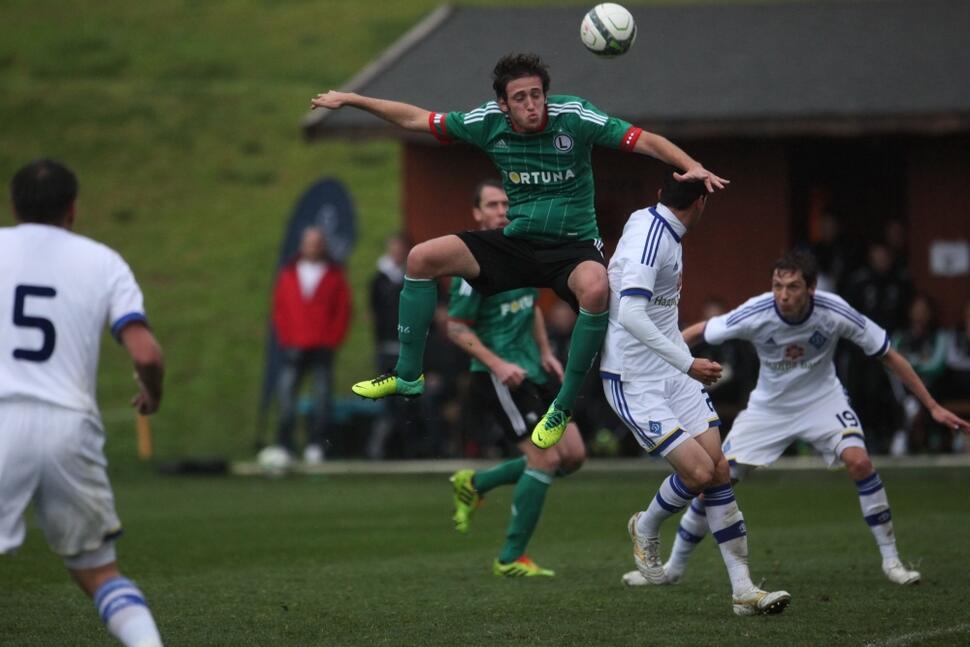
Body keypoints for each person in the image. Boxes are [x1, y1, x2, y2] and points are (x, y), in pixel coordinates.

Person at [311, 52, 728, 448]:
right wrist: (354, 99)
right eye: (520, 98)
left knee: (596, 288)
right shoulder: (487, 122)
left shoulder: (574, 117)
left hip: (572, 246)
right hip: (518, 242)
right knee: (421, 258)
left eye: (536, 95)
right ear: (503, 105)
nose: (532, 105)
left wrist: (691, 165)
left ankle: (561, 407)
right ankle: (407, 375)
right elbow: (418, 119)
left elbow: (645, 141)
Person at [667, 250, 970, 587]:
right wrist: (663, 356)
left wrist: (931, 405)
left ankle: (891, 560)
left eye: (793, 287)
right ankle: (673, 567)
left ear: (811, 288)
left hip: (822, 400)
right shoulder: (757, 311)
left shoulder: (834, 311)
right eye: (777, 285)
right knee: (716, 484)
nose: (783, 295)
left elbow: (888, 354)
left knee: (859, 462)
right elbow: (699, 331)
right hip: (770, 408)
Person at [600, 172, 790, 616]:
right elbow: (629, 313)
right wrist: (688, 360)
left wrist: (679, 364)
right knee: (701, 473)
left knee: (719, 470)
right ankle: (645, 526)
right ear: (702, 203)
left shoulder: (654, 222)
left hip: (669, 370)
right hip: (634, 378)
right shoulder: (655, 238)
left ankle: (743, 590)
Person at [0, 160, 165, 646]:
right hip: (70, 427)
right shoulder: (102, 261)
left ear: (13, 206)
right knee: (98, 572)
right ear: (73, 210)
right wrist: (152, 393)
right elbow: (146, 353)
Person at [446, 180, 586, 577]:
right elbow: (456, 329)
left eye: (506, 202)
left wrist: (544, 352)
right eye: (492, 204)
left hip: (534, 368)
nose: (501, 210)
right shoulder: (469, 264)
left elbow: (532, 307)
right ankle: (509, 558)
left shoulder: (520, 249)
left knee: (573, 456)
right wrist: (498, 365)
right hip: (500, 377)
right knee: (545, 457)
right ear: (477, 213)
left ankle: (475, 484)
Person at [271, 226, 351, 464]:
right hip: (294, 345)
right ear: (302, 244)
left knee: (322, 397)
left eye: (318, 242)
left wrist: (332, 339)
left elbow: (343, 311)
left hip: (322, 346)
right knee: (286, 396)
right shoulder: (288, 273)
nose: (314, 247)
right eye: (310, 242)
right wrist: (286, 337)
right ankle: (285, 443)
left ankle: (317, 444)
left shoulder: (334, 274)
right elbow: (280, 310)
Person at [890, 293, 949, 454]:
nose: (920, 314)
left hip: (931, 386)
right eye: (917, 310)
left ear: (930, 313)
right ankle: (901, 434)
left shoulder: (940, 336)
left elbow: (936, 365)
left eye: (924, 310)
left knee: (929, 388)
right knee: (891, 384)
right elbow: (892, 362)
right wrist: (917, 362)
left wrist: (909, 364)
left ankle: (930, 438)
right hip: (903, 386)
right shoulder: (900, 336)